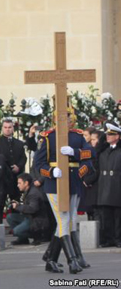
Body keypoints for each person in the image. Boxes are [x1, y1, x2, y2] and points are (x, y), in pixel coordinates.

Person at [33, 107, 93, 274]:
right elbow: (38, 163)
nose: (65, 120)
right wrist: (51, 172)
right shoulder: (47, 137)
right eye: (61, 117)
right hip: (55, 184)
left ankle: (51, 258)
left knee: (69, 220)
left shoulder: (77, 136)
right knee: (64, 219)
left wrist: (75, 153)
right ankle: (72, 260)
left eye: (67, 117)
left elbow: (90, 155)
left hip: (73, 182)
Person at [6, 173, 49, 246]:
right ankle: (23, 239)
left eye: (19, 183)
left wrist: (18, 207)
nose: (18, 185)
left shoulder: (33, 193)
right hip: (30, 217)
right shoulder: (29, 190)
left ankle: (37, 236)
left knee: (16, 231)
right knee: (10, 217)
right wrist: (19, 204)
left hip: (37, 220)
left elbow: (33, 209)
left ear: (26, 183)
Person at [97, 123, 121, 248]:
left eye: (111, 134)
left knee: (118, 216)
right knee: (106, 216)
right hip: (105, 186)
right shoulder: (103, 151)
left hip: (117, 186)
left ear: (118, 136)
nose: (108, 137)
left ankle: (118, 239)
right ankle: (108, 239)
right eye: (107, 134)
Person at [0, 119, 26, 202]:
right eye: (5, 127)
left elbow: (23, 158)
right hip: (2, 177)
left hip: (16, 178)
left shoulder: (19, 143)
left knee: (15, 201)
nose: (7, 129)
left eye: (9, 127)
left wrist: (19, 167)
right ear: (2, 128)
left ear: (13, 128)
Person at [78, 128, 103, 224]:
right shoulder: (88, 150)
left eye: (94, 139)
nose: (92, 141)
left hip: (95, 185)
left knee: (97, 212)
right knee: (90, 211)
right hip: (87, 184)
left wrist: (87, 180)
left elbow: (98, 169)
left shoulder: (99, 152)